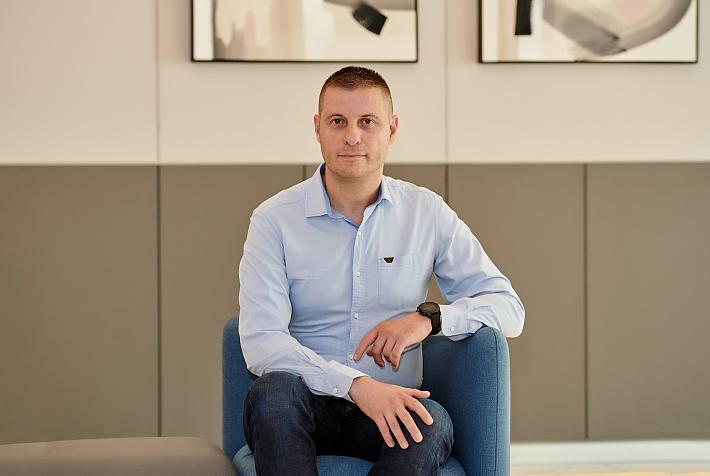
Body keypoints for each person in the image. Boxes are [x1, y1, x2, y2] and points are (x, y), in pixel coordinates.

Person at [238, 66, 525, 476]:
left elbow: (509, 309)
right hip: (303, 406)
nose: (352, 137)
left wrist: (428, 319)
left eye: (367, 122)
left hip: (389, 410)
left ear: (391, 129)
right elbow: (262, 343)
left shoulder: (425, 212)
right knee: (274, 392)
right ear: (318, 128)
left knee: (431, 423)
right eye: (338, 121)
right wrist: (356, 386)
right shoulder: (274, 220)